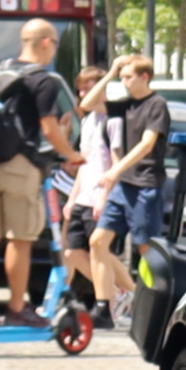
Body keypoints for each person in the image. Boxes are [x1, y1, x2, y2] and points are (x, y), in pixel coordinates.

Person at [0, 18, 79, 326]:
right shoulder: (42, 80)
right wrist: (71, 154)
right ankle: (17, 308)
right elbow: (49, 127)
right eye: (54, 43)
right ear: (45, 42)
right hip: (20, 166)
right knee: (20, 239)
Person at [90, 55, 171, 319]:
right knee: (98, 241)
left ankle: (154, 307)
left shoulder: (157, 105)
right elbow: (87, 103)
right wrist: (112, 70)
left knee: (145, 249)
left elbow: (147, 144)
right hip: (123, 187)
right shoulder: (123, 105)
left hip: (146, 184)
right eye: (122, 77)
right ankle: (104, 306)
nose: (123, 82)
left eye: (127, 77)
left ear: (144, 77)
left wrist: (116, 169)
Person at [61, 65, 111, 315]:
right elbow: (85, 163)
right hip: (84, 196)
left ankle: (116, 293)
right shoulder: (89, 121)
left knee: (100, 251)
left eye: (87, 90)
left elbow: (114, 163)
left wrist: (105, 196)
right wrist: (72, 198)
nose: (82, 96)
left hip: (100, 197)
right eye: (79, 91)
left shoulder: (112, 119)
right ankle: (114, 291)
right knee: (71, 252)